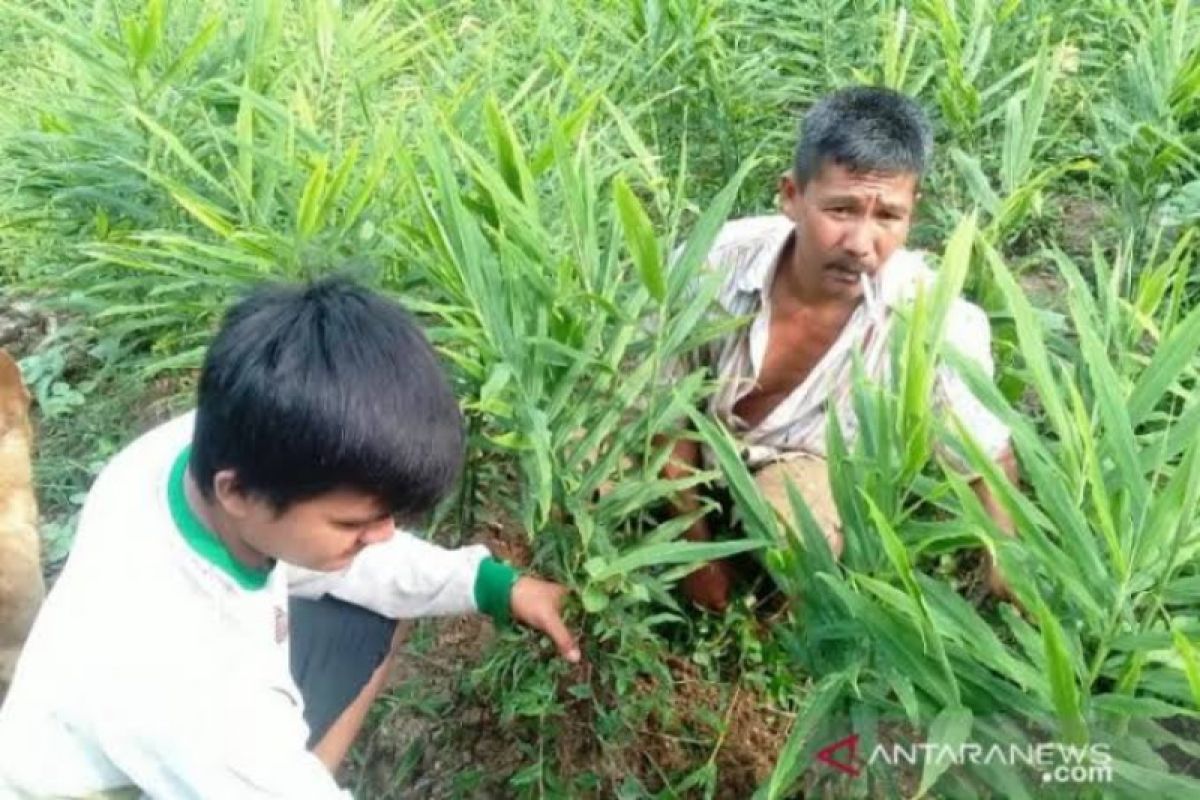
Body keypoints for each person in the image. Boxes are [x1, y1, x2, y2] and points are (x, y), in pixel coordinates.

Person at [0, 277, 579, 798]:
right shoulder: (186, 684)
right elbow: (216, 724)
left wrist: (493, 584)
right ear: (239, 493)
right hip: (102, 781)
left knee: (372, 608)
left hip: (105, 727)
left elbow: (367, 551)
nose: (382, 537)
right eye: (352, 524)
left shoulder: (195, 449)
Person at [664, 86, 1019, 612]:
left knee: (800, 537)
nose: (860, 242)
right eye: (840, 209)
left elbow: (985, 460)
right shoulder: (711, 266)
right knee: (588, 457)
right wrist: (695, 559)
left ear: (910, 215)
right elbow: (661, 417)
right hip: (694, 439)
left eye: (887, 217)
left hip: (800, 461)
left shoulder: (934, 321)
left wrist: (1007, 562)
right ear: (790, 195)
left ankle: (777, 618)